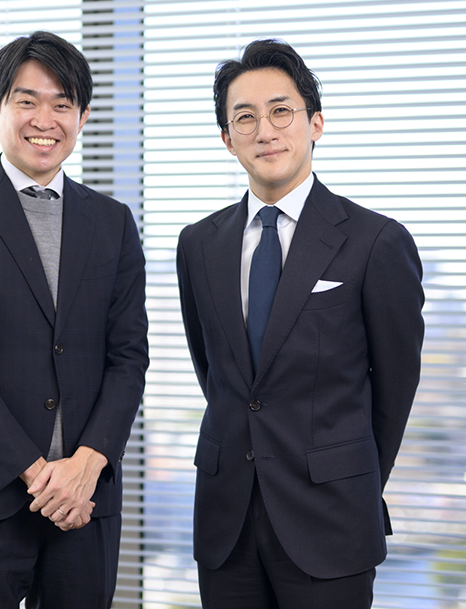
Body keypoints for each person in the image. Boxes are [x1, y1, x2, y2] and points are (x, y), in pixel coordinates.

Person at [175, 38, 424, 608]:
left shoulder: (376, 242)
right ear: (227, 139)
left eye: (281, 111)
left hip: (331, 521)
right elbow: (216, 372)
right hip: (226, 521)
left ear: (315, 123)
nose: (265, 130)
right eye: (245, 117)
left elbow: (395, 390)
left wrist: (348, 478)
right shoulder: (198, 244)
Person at [0, 30, 148, 608]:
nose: (46, 120)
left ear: (82, 117)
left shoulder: (113, 221)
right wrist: (42, 476)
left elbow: (128, 358)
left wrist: (86, 465)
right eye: (27, 101)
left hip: (86, 500)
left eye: (62, 104)